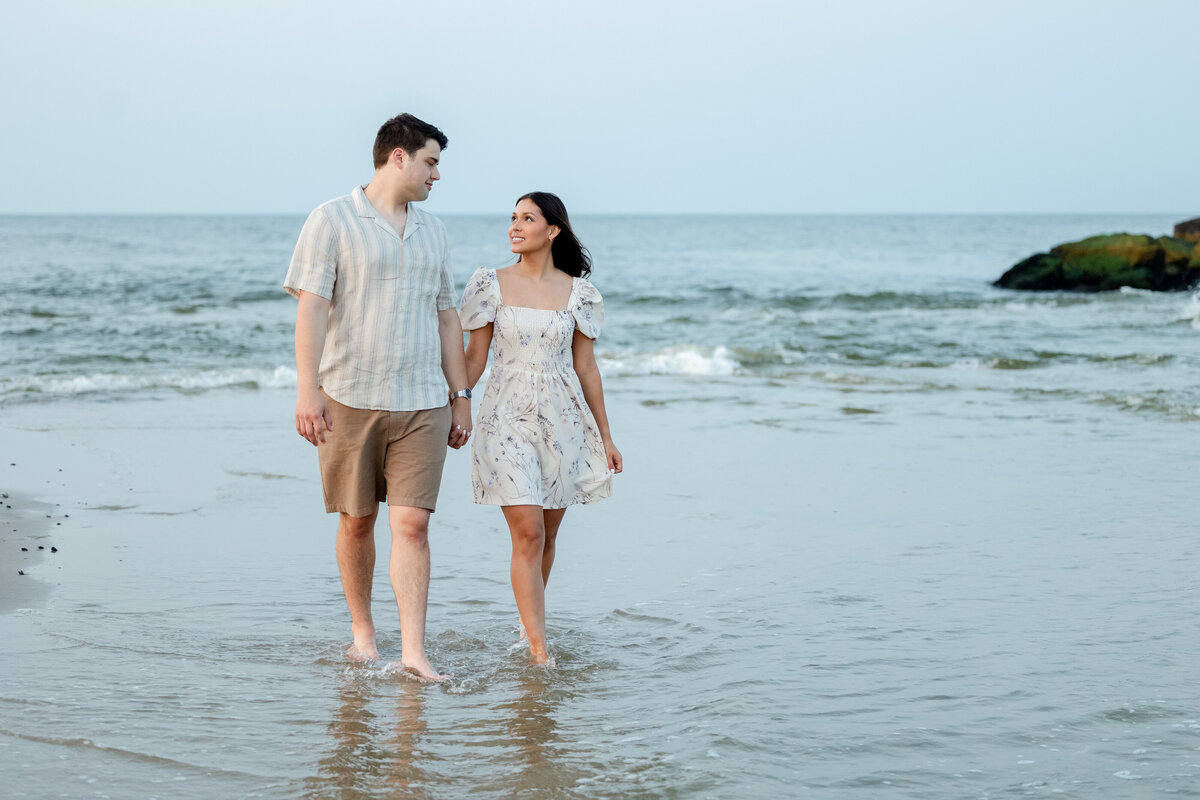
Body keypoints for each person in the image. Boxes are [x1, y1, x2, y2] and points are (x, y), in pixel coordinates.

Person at [284, 113, 472, 681]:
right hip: (348, 397)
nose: (437, 174)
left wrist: (461, 396)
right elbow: (311, 308)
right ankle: (363, 633)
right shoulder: (332, 220)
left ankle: (414, 652)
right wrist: (307, 389)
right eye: (431, 161)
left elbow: (446, 319)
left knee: (413, 525)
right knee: (357, 522)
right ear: (399, 156)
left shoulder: (434, 231)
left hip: (423, 400)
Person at [459, 191, 623, 666]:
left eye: (527, 218)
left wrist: (606, 437)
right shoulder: (490, 284)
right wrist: (456, 401)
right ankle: (538, 649)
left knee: (547, 538)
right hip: (504, 416)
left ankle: (528, 624)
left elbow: (587, 369)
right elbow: (474, 358)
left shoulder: (580, 294)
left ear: (551, 230)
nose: (515, 226)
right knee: (528, 532)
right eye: (512, 217)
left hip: (563, 419)